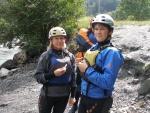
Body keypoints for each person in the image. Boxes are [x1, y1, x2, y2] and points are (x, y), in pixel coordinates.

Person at [75, 14, 124, 113]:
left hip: (99, 99)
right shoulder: (93, 48)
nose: (98, 32)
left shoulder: (112, 53)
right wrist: (81, 64)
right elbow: (87, 71)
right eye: (96, 29)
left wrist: (87, 69)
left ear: (110, 31)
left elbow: (107, 82)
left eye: (102, 29)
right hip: (85, 95)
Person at [34, 27, 76, 113]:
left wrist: (73, 96)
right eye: (56, 38)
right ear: (51, 41)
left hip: (64, 95)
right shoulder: (45, 56)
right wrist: (53, 74)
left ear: (65, 39)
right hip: (47, 95)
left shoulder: (70, 56)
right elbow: (38, 77)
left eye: (61, 38)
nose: (59, 41)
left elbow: (73, 77)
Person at [69, 19, 97, 113]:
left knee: (90, 85)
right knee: (78, 85)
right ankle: (75, 105)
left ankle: (88, 106)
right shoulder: (83, 32)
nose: (94, 27)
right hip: (81, 62)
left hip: (92, 65)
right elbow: (83, 43)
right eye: (93, 25)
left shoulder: (99, 37)